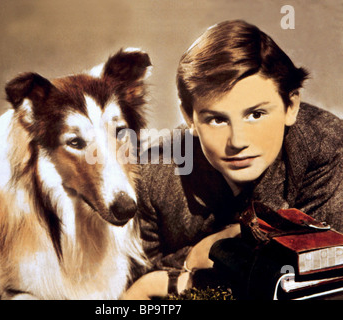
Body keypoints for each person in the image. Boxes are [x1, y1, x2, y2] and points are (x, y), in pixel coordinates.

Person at [122, 20, 343, 299]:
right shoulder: (150, 172)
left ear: (291, 106)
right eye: (216, 119)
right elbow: (133, 287)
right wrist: (197, 257)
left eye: (256, 115)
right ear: (189, 117)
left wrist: (202, 256)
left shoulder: (325, 145)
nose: (238, 141)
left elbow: (316, 275)